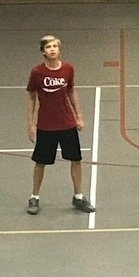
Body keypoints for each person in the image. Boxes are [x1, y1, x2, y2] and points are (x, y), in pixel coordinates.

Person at [26, 35, 95, 215]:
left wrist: (78, 116)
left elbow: (71, 91)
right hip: (46, 125)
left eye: (55, 46)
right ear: (43, 51)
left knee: (75, 159)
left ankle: (78, 197)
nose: (53, 49)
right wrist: (31, 124)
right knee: (40, 162)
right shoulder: (36, 73)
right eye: (49, 47)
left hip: (66, 124)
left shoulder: (68, 69)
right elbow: (32, 98)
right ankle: (34, 197)